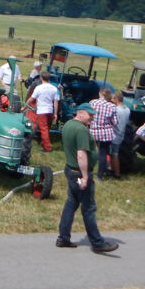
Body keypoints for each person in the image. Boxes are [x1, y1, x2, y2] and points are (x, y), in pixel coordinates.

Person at [56, 103, 118, 253]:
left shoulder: (68, 125)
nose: (92, 118)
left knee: (71, 203)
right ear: (81, 113)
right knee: (89, 208)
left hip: (70, 170)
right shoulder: (81, 130)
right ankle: (97, 243)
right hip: (79, 172)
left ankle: (63, 238)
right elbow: (81, 154)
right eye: (90, 115)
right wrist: (84, 177)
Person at [88, 87, 118, 179]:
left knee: (90, 152)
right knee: (103, 153)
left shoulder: (92, 102)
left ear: (101, 93)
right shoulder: (112, 106)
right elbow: (115, 122)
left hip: (93, 131)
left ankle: (88, 171)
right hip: (106, 133)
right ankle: (100, 176)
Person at [26, 71, 59, 152]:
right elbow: (56, 102)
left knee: (43, 129)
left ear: (41, 78)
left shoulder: (39, 88)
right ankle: (43, 143)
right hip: (50, 111)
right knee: (46, 128)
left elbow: (32, 98)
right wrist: (55, 113)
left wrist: (25, 106)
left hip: (42, 111)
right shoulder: (55, 88)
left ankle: (47, 148)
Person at [109, 91, 131, 178]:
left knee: (114, 154)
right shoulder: (127, 110)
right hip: (121, 133)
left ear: (116, 99)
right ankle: (112, 169)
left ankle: (116, 172)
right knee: (113, 153)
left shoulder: (116, 110)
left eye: (113, 99)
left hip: (115, 134)